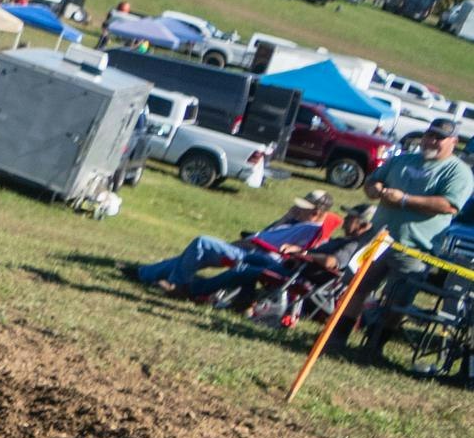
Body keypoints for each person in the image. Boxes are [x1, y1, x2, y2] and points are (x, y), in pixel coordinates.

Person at [337, 118, 472, 328]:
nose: (432, 141)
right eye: (429, 135)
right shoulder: (402, 160)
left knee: (397, 301)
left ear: (453, 142)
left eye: (439, 138)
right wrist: (374, 188)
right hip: (378, 239)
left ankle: (376, 340)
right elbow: (373, 181)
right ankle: (338, 334)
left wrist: (404, 200)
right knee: (357, 287)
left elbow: (449, 205)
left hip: (416, 247)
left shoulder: (458, 172)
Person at [128, 191, 340, 301]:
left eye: (303, 208)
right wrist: (286, 218)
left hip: (257, 255)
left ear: (316, 212)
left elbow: (306, 251)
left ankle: (177, 285)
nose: (297, 209)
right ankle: (144, 273)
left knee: (202, 243)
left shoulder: (311, 230)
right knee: (196, 253)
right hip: (251, 250)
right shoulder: (297, 223)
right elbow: (269, 232)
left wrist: (295, 248)